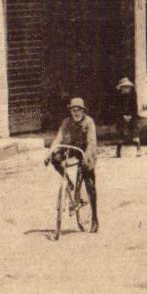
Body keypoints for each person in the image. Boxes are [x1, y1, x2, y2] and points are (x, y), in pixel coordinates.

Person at [46, 96, 99, 231]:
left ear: (83, 111)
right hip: (72, 148)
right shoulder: (66, 122)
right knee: (54, 158)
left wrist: (86, 157)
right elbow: (58, 138)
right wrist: (49, 152)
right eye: (73, 110)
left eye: (79, 110)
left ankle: (94, 219)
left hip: (86, 151)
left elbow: (92, 142)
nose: (76, 113)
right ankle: (69, 182)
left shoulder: (89, 122)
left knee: (89, 184)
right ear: (70, 111)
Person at [114, 78, 141, 158]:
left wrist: (131, 116)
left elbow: (135, 108)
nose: (126, 89)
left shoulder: (133, 96)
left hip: (131, 117)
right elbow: (117, 108)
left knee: (135, 133)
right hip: (121, 117)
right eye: (125, 87)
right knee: (120, 134)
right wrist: (123, 116)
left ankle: (138, 149)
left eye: (128, 87)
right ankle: (118, 151)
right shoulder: (118, 97)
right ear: (121, 88)